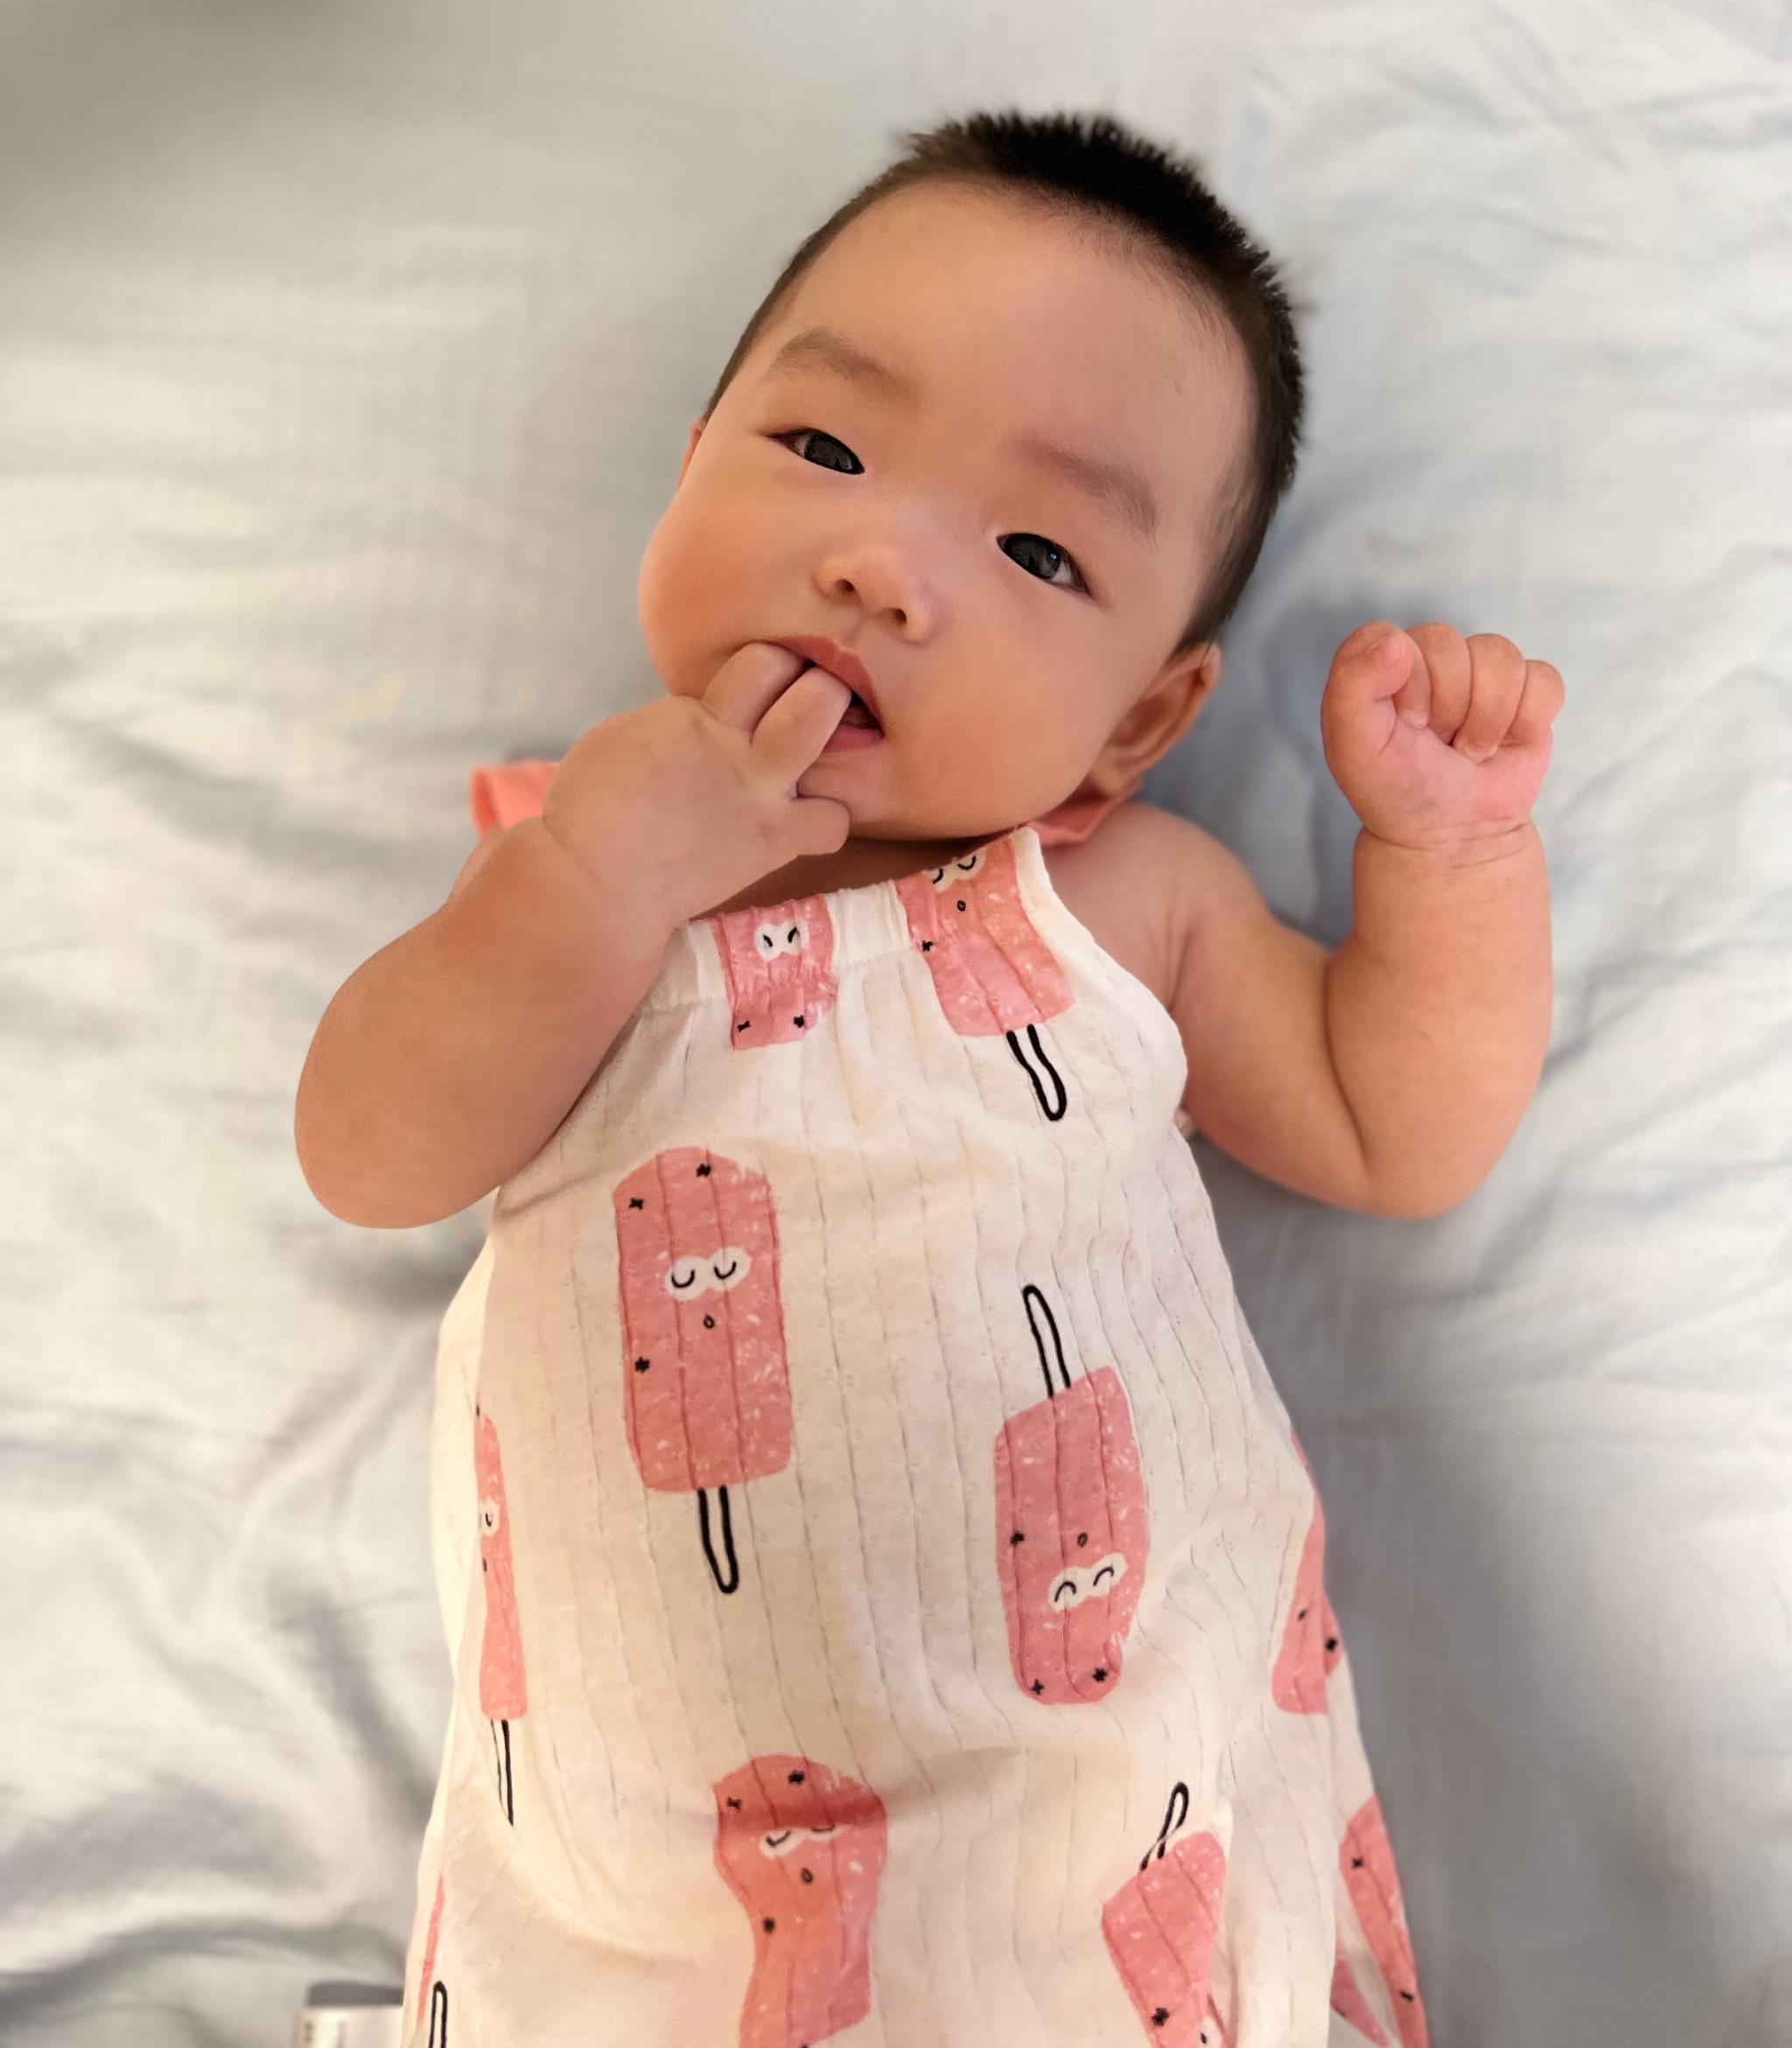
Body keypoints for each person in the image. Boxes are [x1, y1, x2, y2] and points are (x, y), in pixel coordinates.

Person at [295, 107, 1563, 2047]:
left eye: (1039, 547)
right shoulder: (571, 882)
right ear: (684, 474)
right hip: (642, 1899)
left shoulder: (1116, 901)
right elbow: (371, 1152)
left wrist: (1449, 862)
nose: (880, 563)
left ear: (1134, 721)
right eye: (818, 448)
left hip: (1102, 1845)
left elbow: (1396, 1128)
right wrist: (598, 870)